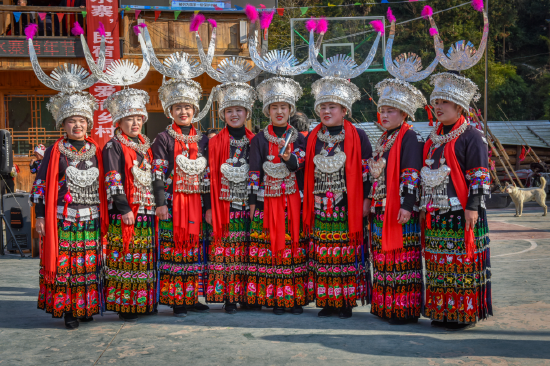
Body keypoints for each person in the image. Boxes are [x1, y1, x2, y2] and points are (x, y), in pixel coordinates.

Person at [302, 19, 379, 319]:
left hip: (347, 206)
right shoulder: (311, 137)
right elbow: (303, 171)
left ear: (344, 110)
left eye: (332, 106)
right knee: (322, 252)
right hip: (321, 205)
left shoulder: (358, 136)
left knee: (346, 254)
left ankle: (344, 301)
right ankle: (327, 300)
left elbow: (370, 173)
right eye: (323, 106)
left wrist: (365, 201)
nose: (326, 111)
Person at [421, 6, 492, 330]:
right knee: (437, 264)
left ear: (459, 106)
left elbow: (479, 175)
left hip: (461, 210)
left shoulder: (471, 136)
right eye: (435, 103)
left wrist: (473, 207)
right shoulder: (433, 136)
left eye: (443, 104)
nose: (438, 108)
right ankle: (441, 311)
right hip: (436, 212)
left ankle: (461, 314)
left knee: (459, 264)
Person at [28, 52, 108, 328]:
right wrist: (40, 215)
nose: (77, 125)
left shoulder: (96, 150)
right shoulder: (54, 151)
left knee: (87, 264)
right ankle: (69, 311)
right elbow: (40, 187)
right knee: (67, 265)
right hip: (63, 218)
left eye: (82, 120)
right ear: (62, 125)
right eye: (72, 120)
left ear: (89, 124)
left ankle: (86, 307)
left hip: (90, 217)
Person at [367, 14, 436, 325]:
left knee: (402, 258)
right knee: (382, 257)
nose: (384, 114)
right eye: (381, 110)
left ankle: (403, 309)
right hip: (382, 206)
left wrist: (408, 204)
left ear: (403, 112)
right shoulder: (384, 136)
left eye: (389, 110)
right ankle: (385, 306)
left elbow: (411, 172)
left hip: (399, 207)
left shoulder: (409, 135)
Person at [204, 58, 258, 314]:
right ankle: (229, 297)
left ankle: (249, 296)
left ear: (247, 113)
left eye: (239, 110)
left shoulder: (256, 141)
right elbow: (208, 177)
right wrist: (208, 207)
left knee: (249, 251)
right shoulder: (213, 143)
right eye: (229, 111)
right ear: (223, 114)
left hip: (249, 205)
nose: (234, 114)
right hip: (224, 205)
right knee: (227, 254)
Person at [102, 89, 157, 322]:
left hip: (146, 209)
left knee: (143, 258)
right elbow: (112, 177)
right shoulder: (113, 146)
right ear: (119, 121)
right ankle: (125, 305)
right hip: (126, 212)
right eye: (129, 119)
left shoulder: (145, 144)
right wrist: (123, 208)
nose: (134, 123)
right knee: (125, 257)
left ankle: (142, 302)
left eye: (138, 118)